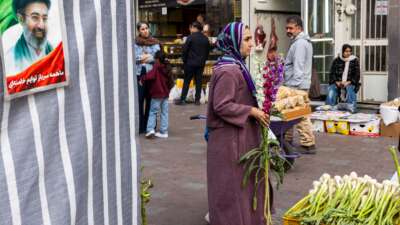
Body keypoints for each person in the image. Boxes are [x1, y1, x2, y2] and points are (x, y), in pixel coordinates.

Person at [207, 22, 272, 225]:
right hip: (230, 140)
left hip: (236, 136)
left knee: (237, 185)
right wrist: (251, 110)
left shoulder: (235, 65)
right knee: (232, 186)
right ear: (233, 42)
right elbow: (221, 105)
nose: (251, 44)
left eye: (251, 38)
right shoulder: (229, 70)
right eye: (246, 39)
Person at [283, 15, 316, 154]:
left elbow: (299, 66)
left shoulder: (300, 44)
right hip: (298, 83)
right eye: (287, 28)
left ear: (299, 28)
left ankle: (308, 144)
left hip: (297, 85)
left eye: (291, 28)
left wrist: (293, 87)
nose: (288, 30)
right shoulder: (301, 42)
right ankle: (287, 139)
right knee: (290, 113)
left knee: (301, 115)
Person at [5, 0, 53, 76]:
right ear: (21, 19)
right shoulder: (9, 60)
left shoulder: (56, 52)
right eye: (35, 17)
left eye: (44, 18)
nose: (41, 25)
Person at [175, 21, 210, 105]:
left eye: (191, 27)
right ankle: (197, 100)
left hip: (190, 64)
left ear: (195, 28)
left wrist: (184, 61)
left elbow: (185, 50)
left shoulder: (190, 37)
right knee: (199, 81)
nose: (190, 29)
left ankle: (183, 99)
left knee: (187, 81)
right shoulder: (205, 38)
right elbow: (207, 51)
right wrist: (203, 60)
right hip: (200, 64)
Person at [135, 22, 160, 134]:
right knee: (139, 100)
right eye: (142, 29)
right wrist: (147, 57)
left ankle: (150, 126)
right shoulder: (135, 43)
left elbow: (157, 57)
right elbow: (134, 57)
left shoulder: (154, 42)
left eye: (146, 28)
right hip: (139, 73)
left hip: (151, 74)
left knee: (151, 100)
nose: (145, 31)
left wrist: (144, 58)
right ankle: (141, 126)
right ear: (139, 31)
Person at [141, 51, 173, 139]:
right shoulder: (168, 66)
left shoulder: (156, 67)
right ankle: (164, 131)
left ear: (157, 59)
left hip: (157, 94)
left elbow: (150, 76)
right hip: (165, 94)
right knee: (164, 113)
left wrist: (142, 79)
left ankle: (150, 129)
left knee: (153, 112)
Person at [326, 44, 360, 112]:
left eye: (350, 51)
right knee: (331, 91)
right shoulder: (336, 60)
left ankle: (351, 110)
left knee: (349, 90)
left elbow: (357, 75)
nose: (348, 53)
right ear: (342, 51)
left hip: (350, 82)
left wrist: (348, 82)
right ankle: (329, 109)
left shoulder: (354, 60)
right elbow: (332, 73)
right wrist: (337, 82)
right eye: (346, 51)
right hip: (338, 82)